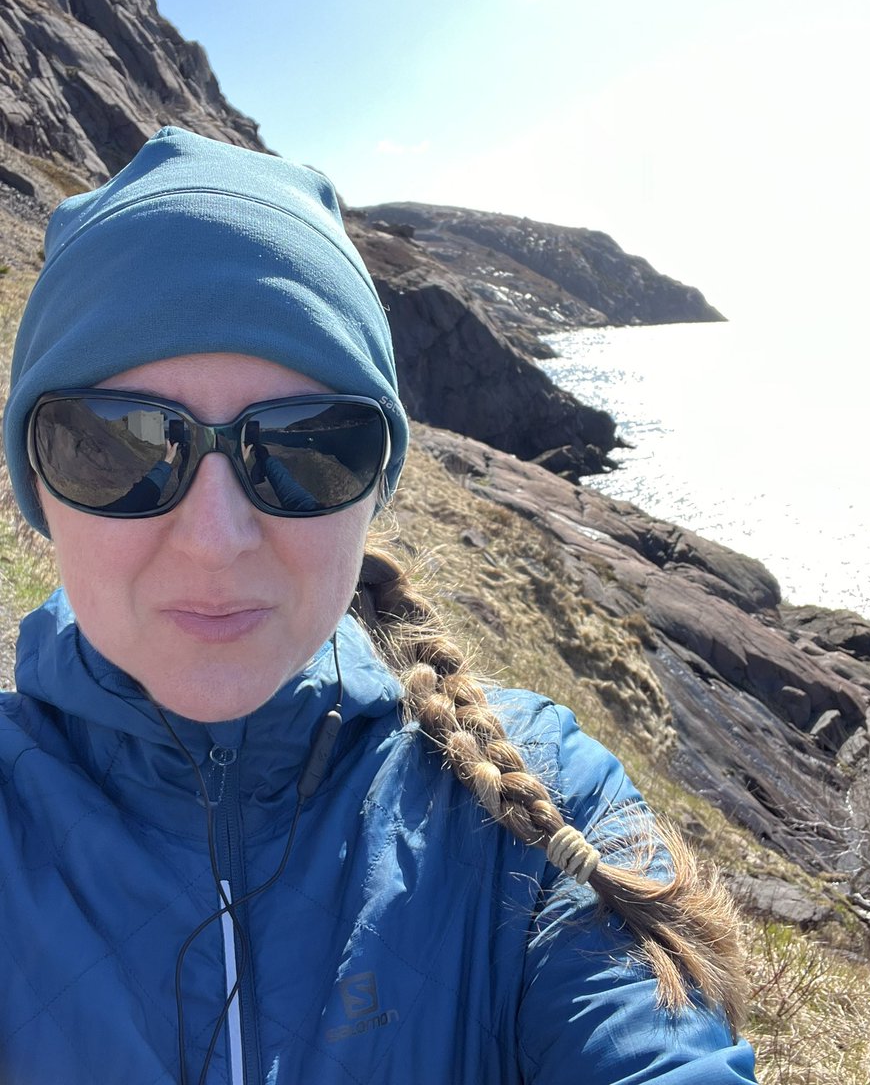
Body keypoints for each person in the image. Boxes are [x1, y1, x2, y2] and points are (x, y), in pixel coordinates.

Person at [0, 127, 758, 1085]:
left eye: (308, 447)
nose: (215, 536)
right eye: (117, 445)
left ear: (375, 488)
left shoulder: (542, 805)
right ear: (40, 482)